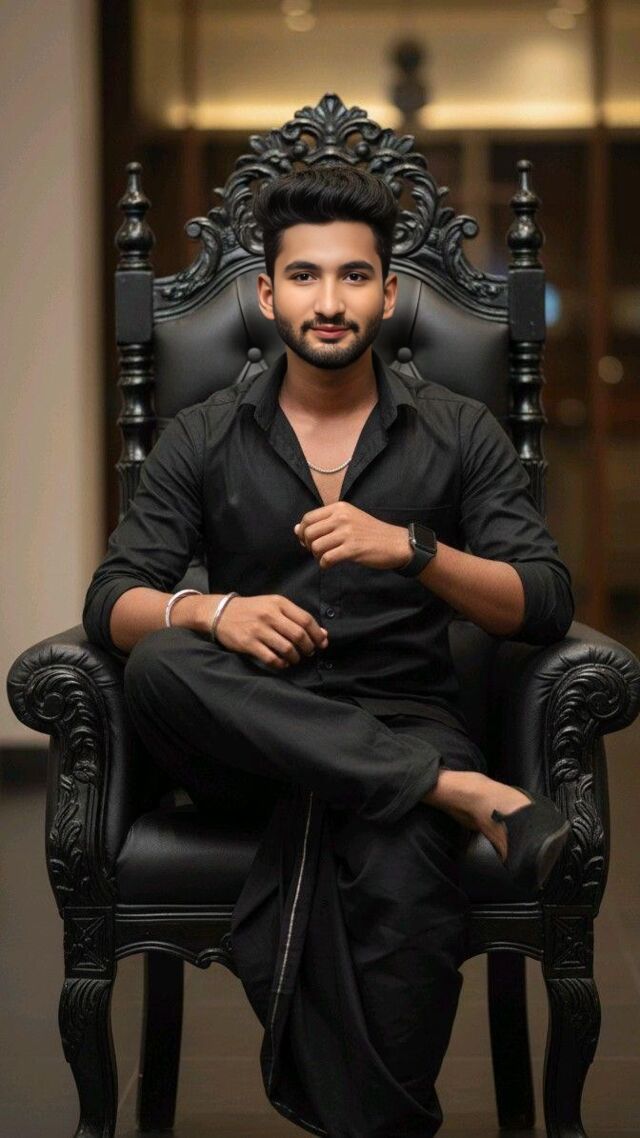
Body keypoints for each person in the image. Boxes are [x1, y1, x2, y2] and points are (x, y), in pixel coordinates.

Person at [82, 164, 575, 1137]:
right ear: (268, 295)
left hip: (404, 714)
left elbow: (544, 602)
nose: (330, 300)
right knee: (164, 660)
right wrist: (213, 612)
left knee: (401, 860)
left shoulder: (458, 430)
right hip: (249, 734)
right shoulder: (204, 434)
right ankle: (450, 791)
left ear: (388, 292)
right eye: (305, 276)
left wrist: (416, 549)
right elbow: (111, 602)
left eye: (353, 276)